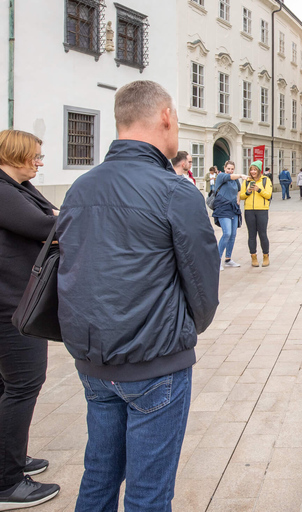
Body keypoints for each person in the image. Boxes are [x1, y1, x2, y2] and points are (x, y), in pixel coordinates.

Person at [57, 80, 220, 512]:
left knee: (99, 477)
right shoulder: (174, 190)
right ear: (166, 117)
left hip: (95, 361)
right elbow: (204, 285)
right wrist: (185, 330)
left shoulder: (81, 186)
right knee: (148, 494)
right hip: (154, 361)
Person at [0, 130, 60, 509]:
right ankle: (7, 483)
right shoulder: (3, 190)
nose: (39, 162)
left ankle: (11, 460)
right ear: (17, 154)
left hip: (13, 298)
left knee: (9, 387)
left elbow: (52, 219)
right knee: (23, 385)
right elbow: (46, 227)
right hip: (10, 306)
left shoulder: (18, 188)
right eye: (35, 156)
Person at [213, 161, 248, 270]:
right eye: (228, 168)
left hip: (233, 208)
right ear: (224, 168)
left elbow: (239, 190)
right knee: (227, 233)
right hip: (223, 208)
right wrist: (241, 175)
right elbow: (230, 176)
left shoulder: (235, 180)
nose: (230, 170)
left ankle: (228, 259)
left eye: (232, 169)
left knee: (233, 234)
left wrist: (238, 200)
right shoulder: (221, 176)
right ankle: (217, 260)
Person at [239, 160, 272, 268]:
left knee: (262, 234)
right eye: (251, 170)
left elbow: (268, 195)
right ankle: (253, 257)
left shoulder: (266, 180)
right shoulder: (247, 181)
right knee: (251, 235)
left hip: (262, 210)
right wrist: (248, 191)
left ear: (259, 170)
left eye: (255, 170)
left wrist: (258, 190)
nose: (253, 172)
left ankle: (265, 256)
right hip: (249, 210)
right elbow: (242, 196)